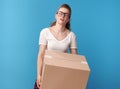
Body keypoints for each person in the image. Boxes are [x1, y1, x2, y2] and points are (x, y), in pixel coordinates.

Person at [34, 3, 77, 89]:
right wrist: (39, 75)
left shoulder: (71, 35)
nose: (62, 16)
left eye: (66, 15)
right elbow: (41, 55)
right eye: (60, 13)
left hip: (62, 74)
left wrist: (73, 78)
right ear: (56, 15)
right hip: (47, 72)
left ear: (68, 19)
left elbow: (75, 59)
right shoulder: (45, 32)